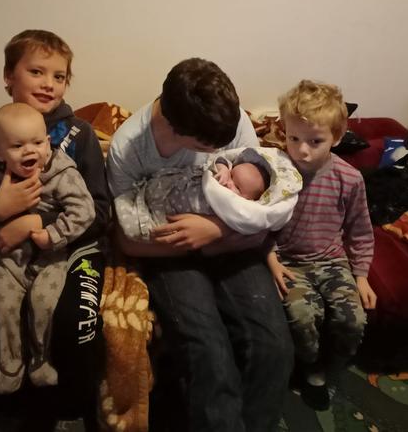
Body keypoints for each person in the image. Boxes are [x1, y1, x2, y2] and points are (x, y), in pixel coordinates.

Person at [0, 30, 109, 425]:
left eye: (59, 76)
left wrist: (34, 222)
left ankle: (69, 410)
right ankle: (23, 408)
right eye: (36, 71)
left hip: (69, 251)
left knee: (73, 323)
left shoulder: (79, 136)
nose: (48, 84)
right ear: (9, 77)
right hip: (1, 257)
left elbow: (99, 213)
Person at [106, 57, 294, 432]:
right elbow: (127, 240)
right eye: (206, 146)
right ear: (175, 127)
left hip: (232, 240)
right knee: (208, 351)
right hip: (170, 252)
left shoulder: (231, 122)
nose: (216, 153)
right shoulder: (129, 147)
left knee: (274, 345)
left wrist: (214, 232)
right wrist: (193, 242)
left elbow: (260, 209)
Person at [266, 79, 377, 410]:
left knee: (352, 320)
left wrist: (361, 275)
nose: (302, 150)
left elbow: (360, 230)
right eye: (293, 138)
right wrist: (270, 258)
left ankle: (329, 369)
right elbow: (257, 221)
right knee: (301, 316)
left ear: (337, 137)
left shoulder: (349, 178)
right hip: (288, 263)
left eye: (315, 141)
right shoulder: (274, 171)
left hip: (331, 262)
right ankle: (309, 368)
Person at [0, 102, 96, 393]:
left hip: (52, 258)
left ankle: (42, 360)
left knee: (44, 302)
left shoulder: (62, 171)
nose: (30, 151)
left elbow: (85, 210)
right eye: (18, 146)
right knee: (1, 300)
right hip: (10, 258)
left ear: (48, 142)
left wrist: (53, 234)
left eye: (37, 143)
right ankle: (9, 365)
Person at [113, 145, 302, 243]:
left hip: (169, 217)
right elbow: (221, 160)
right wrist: (224, 169)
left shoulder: (245, 209)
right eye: (232, 175)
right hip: (170, 186)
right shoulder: (224, 173)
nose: (227, 183)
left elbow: (252, 221)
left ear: (249, 200)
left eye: (236, 186)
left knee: (139, 228)